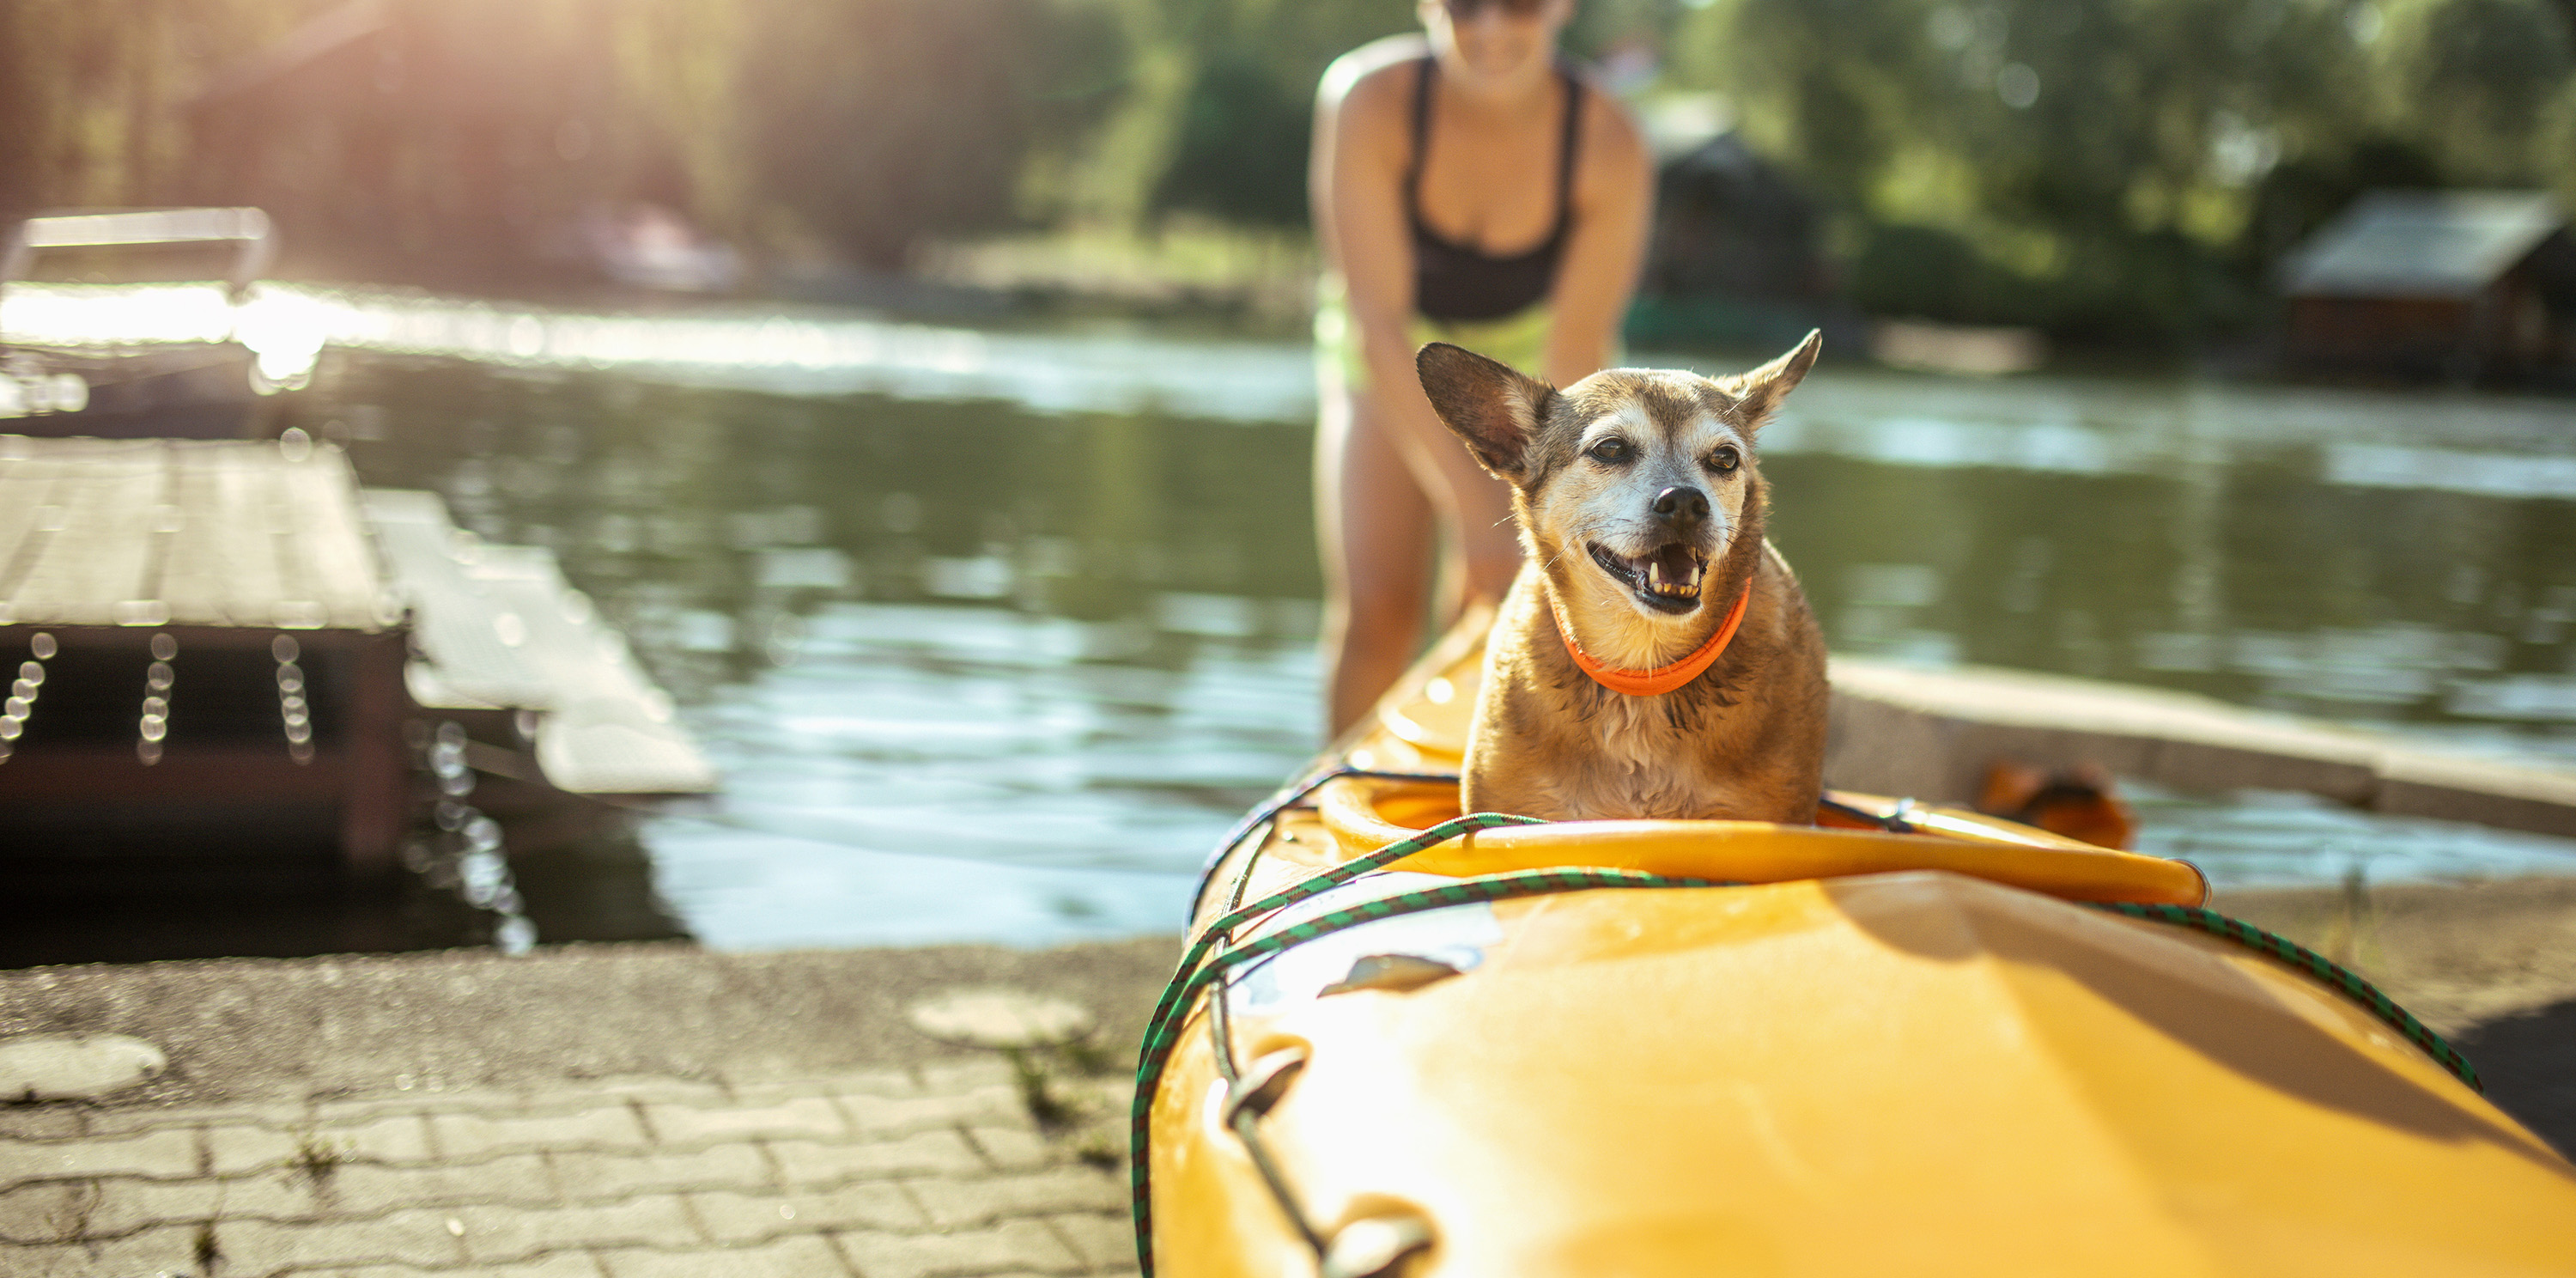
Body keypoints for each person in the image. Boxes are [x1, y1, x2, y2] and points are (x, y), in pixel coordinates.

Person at [1311, 0, 1653, 735]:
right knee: (1379, 606)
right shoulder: (1369, 101)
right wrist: (1469, 511)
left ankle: (1478, 794)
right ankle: (1337, 792)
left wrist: (1512, 516)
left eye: (1520, 4)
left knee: (1497, 599)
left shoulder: (1609, 140)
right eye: (1464, 6)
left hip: (1537, 382)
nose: (1491, 29)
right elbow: (1377, 320)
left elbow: (1579, 349)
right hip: (1390, 356)